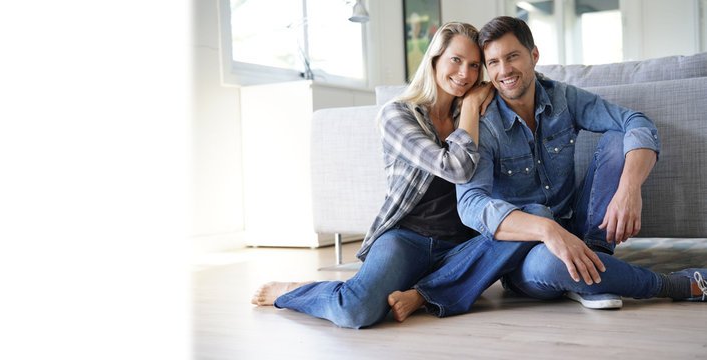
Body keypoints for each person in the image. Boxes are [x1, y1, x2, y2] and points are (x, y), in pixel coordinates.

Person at [389, 16, 707, 316]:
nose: (504, 71)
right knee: (553, 265)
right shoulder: (482, 123)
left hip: (583, 229)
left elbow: (635, 121)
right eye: (493, 63)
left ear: (534, 55)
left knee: (616, 138)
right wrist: (545, 229)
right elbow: (471, 205)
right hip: (528, 251)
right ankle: (676, 284)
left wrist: (629, 188)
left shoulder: (562, 97)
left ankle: (593, 265)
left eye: (512, 57)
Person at [250, 22, 540, 329]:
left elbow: (525, 84)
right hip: (407, 239)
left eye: (474, 65)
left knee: (534, 218)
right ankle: (296, 291)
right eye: (456, 60)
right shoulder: (398, 114)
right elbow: (457, 168)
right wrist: (469, 105)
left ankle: (420, 294)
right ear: (434, 59)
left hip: (462, 245)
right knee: (356, 310)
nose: (466, 74)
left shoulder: (481, 110)